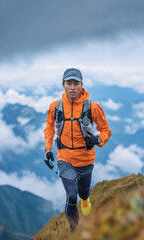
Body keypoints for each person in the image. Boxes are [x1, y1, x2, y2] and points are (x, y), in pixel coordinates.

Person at [43, 68, 112, 232]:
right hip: (65, 158)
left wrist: (97, 139)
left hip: (86, 159)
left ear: (82, 85)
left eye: (76, 83)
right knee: (72, 196)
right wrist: (48, 149)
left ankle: (86, 199)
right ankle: (74, 232)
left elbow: (106, 130)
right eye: (69, 83)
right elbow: (49, 128)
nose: (72, 87)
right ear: (63, 85)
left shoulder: (92, 107)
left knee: (83, 193)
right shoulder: (56, 107)